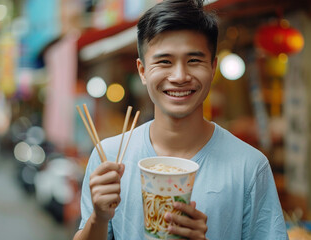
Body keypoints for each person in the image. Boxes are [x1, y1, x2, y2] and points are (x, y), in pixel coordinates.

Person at [74, 0, 288, 239]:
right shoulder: (110, 158)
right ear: (142, 71)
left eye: (194, 61)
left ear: (213, 67)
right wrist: (98, 217)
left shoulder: (249, 166)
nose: (179, 76)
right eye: (164, 61)